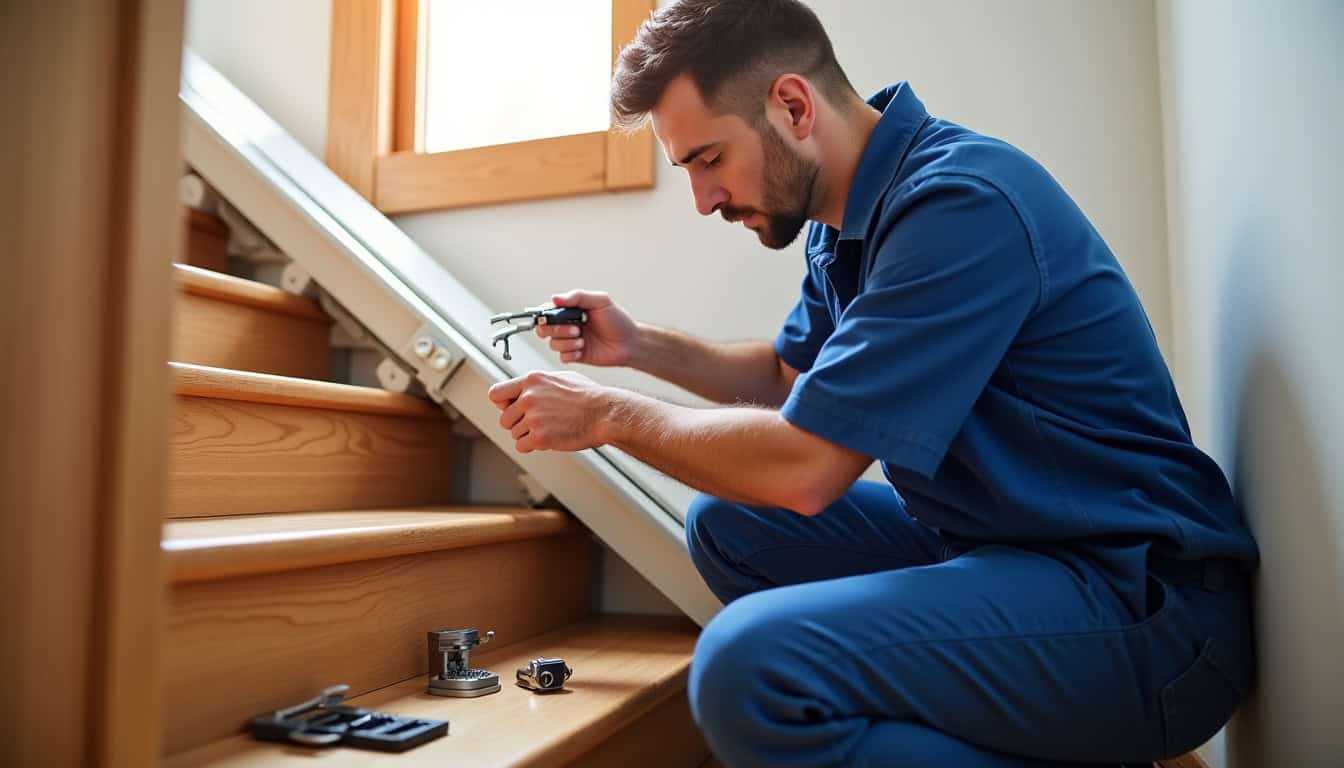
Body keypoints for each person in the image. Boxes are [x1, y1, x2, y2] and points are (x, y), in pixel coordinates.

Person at [485, 1, 1258, 765]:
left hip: (1145, 606)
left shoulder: (959, 205)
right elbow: (791, 379)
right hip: (1006, 540)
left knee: (748, 669)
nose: (703, 200)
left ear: (791, 105)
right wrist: (640, 347)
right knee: (728, 523)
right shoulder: (844, 218)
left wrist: (610, 417)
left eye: (709, 160)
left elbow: (807, 468)